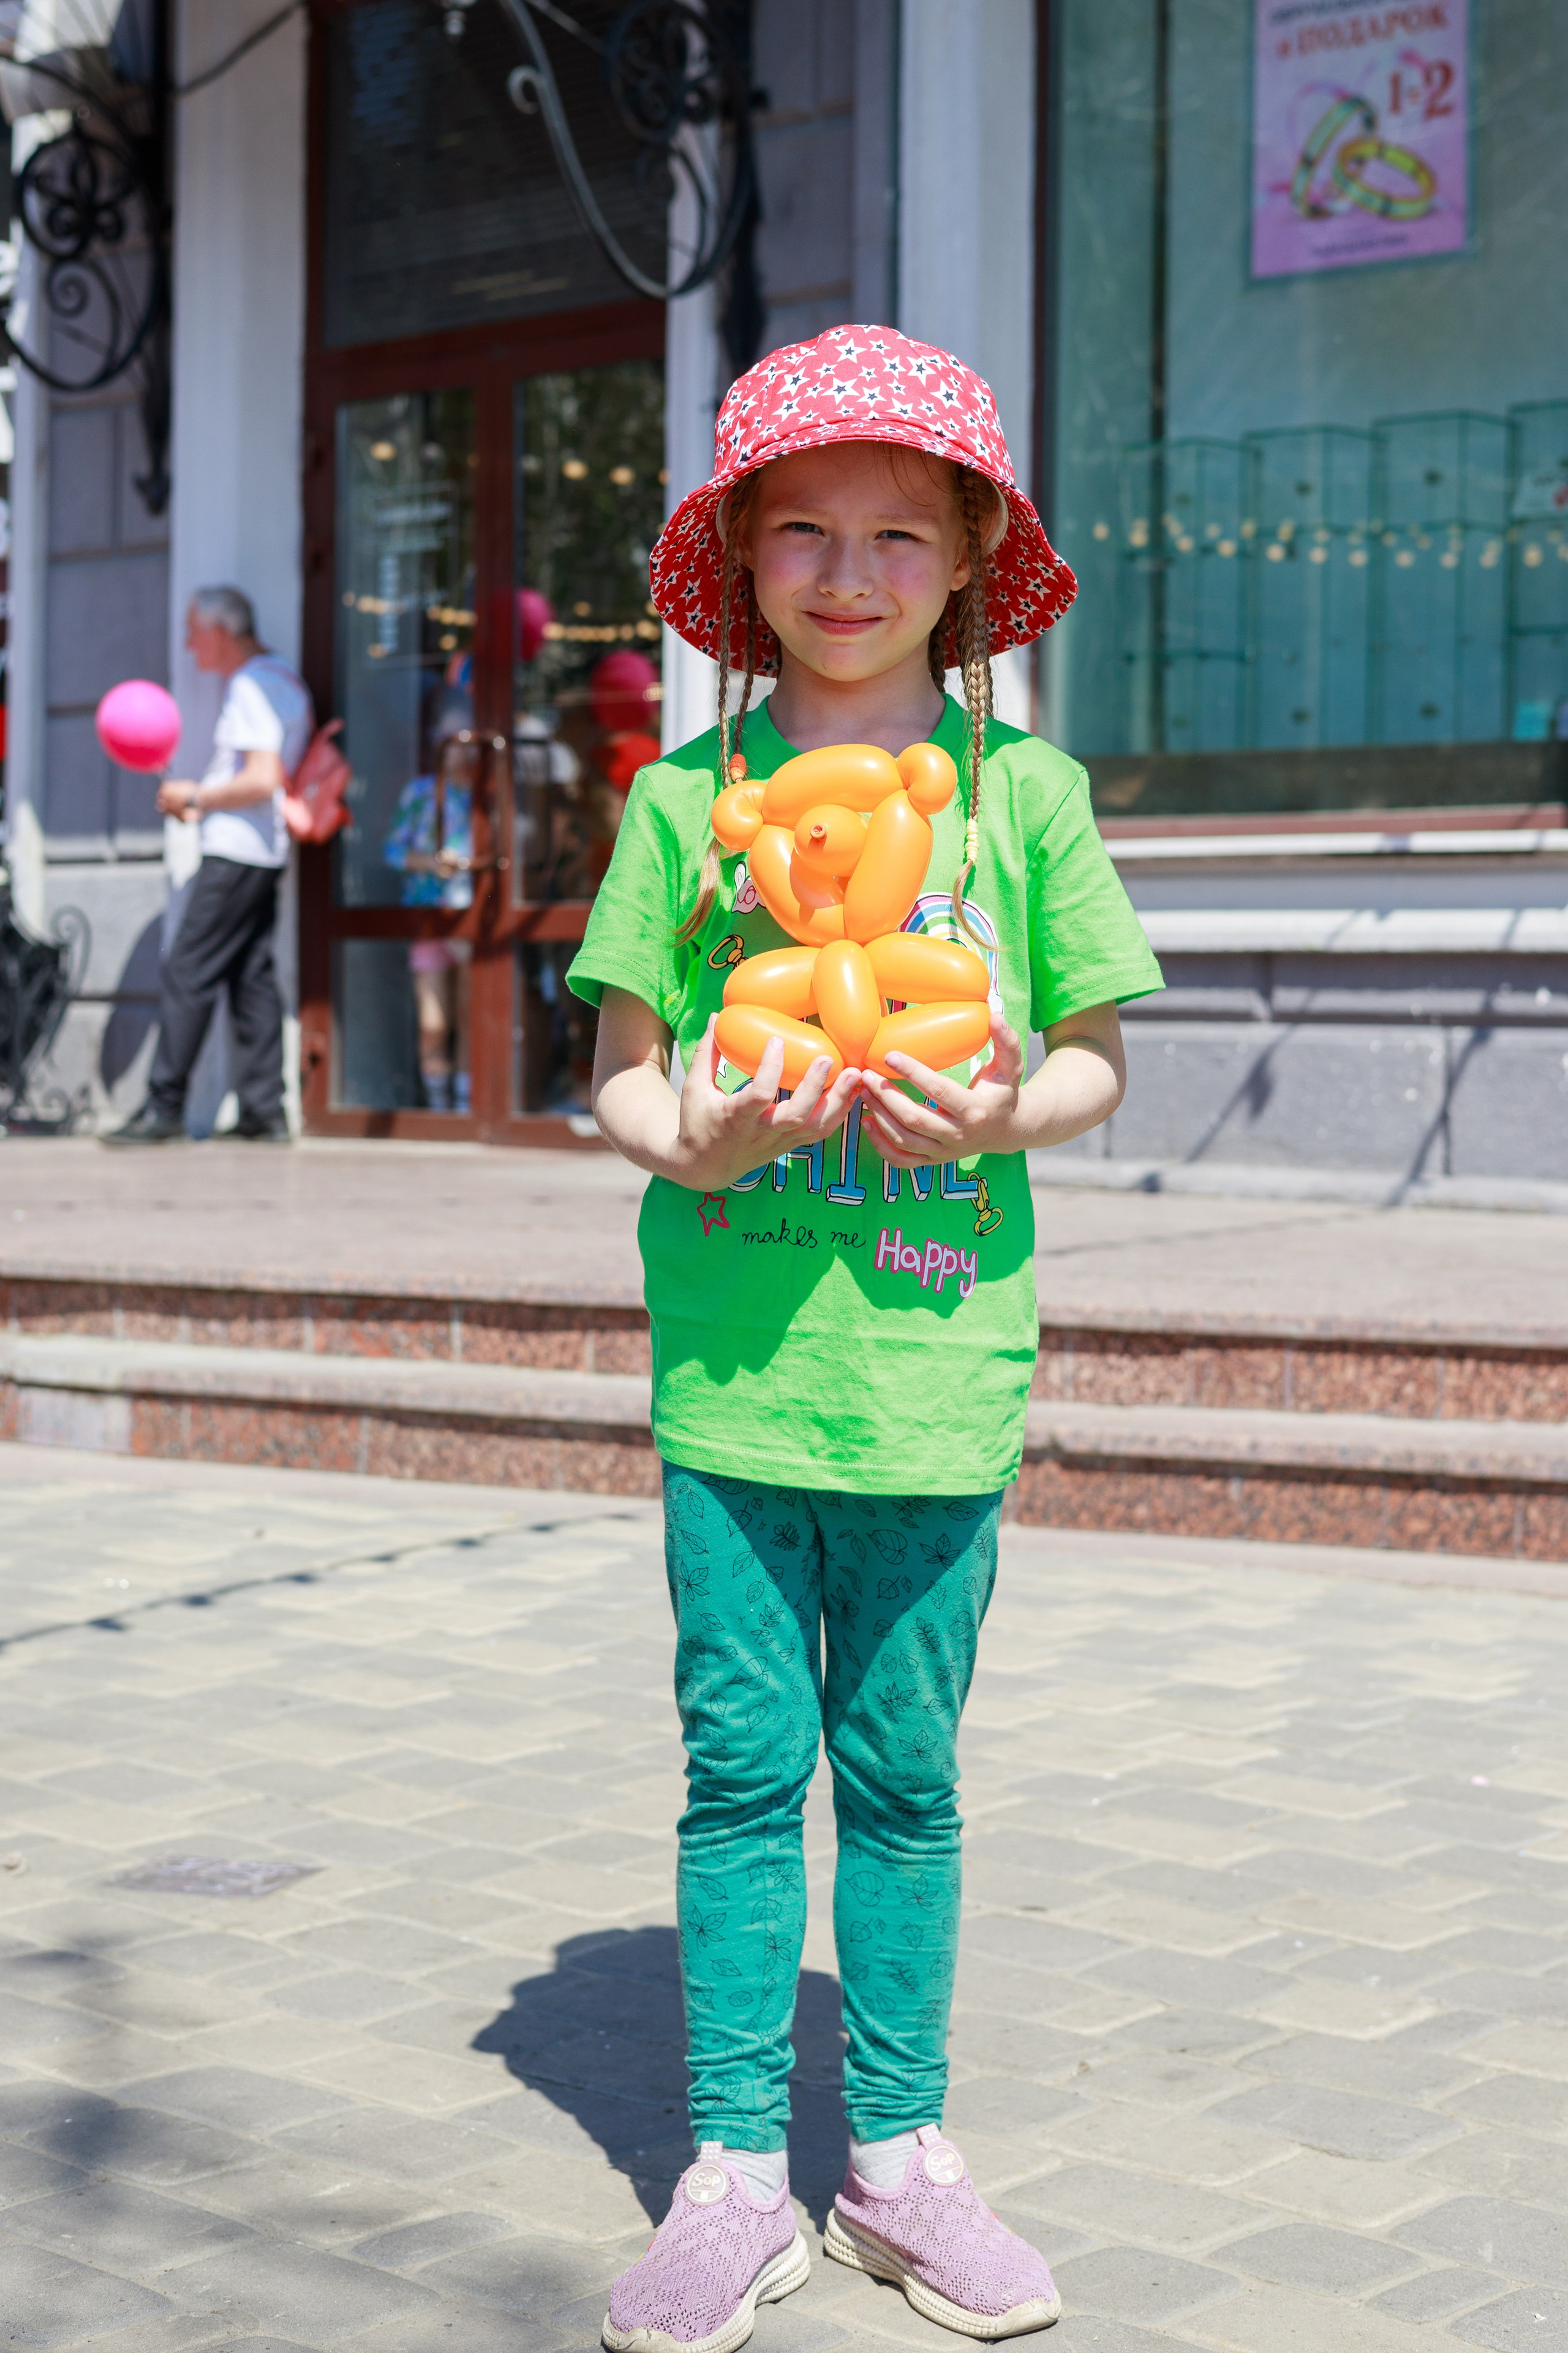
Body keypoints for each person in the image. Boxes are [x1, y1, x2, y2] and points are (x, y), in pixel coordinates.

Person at [569, 325, 1163, 2349]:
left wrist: (999, 1105)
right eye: (800, 530)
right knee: (743, 1775)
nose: (845, 571)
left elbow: (1089, 1056)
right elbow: (624, 1080)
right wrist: (707, 1135)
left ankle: (898, 2160)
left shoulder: (1026, 796)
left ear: (972, 549)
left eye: (895, 531)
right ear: (739, 557)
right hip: (738, 1385)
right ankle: (735, 2169)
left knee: (902, 1777)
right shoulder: (687, 800)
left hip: (936, 1382)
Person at [104, 586, 314, 1145]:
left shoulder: (252, 684)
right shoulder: (284, 678)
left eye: (195, 630)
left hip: (236, 851)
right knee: (252, 978)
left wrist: (195, 798)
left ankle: (163, 1108)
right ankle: (264, 1111)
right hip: (263, 854)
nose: (189, 643)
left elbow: (262, 778)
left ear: (222, 632)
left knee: (187, 969)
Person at [383, 692, 477, 1114]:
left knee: (471, 1009)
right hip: (430, 916)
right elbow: (392, 851)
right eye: (452, 740)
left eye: (467, 741)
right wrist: (433, 863)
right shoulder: (421, 793)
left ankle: (465, 1100)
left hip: (474, 916)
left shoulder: (485, 796)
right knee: (433, 1020)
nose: (460, 751)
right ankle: (438, 1104)